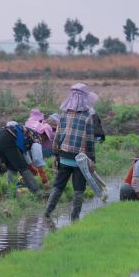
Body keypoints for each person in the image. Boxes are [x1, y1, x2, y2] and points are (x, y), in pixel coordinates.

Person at [44, 83, 98, 220]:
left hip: (64, 156)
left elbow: (57, 137)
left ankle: (47, 213)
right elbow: (90, 142)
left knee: (58, 185)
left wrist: (56, 154)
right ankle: (74, 218)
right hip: (80, 159)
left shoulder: (64, 115)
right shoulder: (87, 117)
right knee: (79, 189)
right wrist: (92, 160)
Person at [0, 121, 47, 193]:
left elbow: (24, 152)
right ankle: (37, 191)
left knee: (11, 167)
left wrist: (30, 165)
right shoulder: (37, 139)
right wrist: (42, 175)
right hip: (7, 138)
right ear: (44, 136)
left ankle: (11, 192)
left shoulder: (26, 133)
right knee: (22, 167)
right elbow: (37, 158)